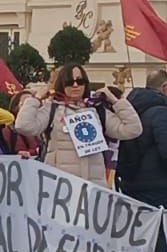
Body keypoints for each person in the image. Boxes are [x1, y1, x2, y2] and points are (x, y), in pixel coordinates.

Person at [13, 63, 141, 184]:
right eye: (69, 82)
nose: (75, 85)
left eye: (80, 81)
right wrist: (35, 99)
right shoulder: (51, 109)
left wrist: (115, 100)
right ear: (62, 84)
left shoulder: (97, 110)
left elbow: (133, 129)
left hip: (93, 187)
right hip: (61, 187)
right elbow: (24, 126)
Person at [116, 69, 167, 252]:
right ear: (165, 88)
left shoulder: (129, 108)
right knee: (166, 240)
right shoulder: (160, 112)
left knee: (137, 239)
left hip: (131, 182)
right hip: (160, 186)